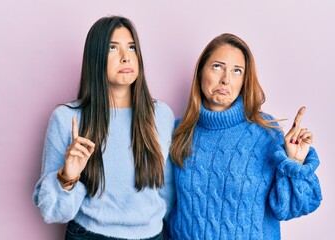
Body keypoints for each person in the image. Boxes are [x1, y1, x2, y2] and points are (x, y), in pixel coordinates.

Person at [168, 33, 322, 239]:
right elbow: (164, 206)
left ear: (244, 80)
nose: (225, 80)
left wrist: (294, 162)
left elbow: (290, 208)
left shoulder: (265, 134)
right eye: (217, 67)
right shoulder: (177, 132)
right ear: (200, 72)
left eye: (237, 71)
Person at [33, 16, 175, 240]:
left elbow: (166, 190)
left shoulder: (162, 116)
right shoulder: (67, 118)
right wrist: (67, 178)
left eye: (131, 47)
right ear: (96, 57)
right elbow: (53, 212)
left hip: (152, 235)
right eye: (112, 48)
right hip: (89, 235)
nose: (125, 57)